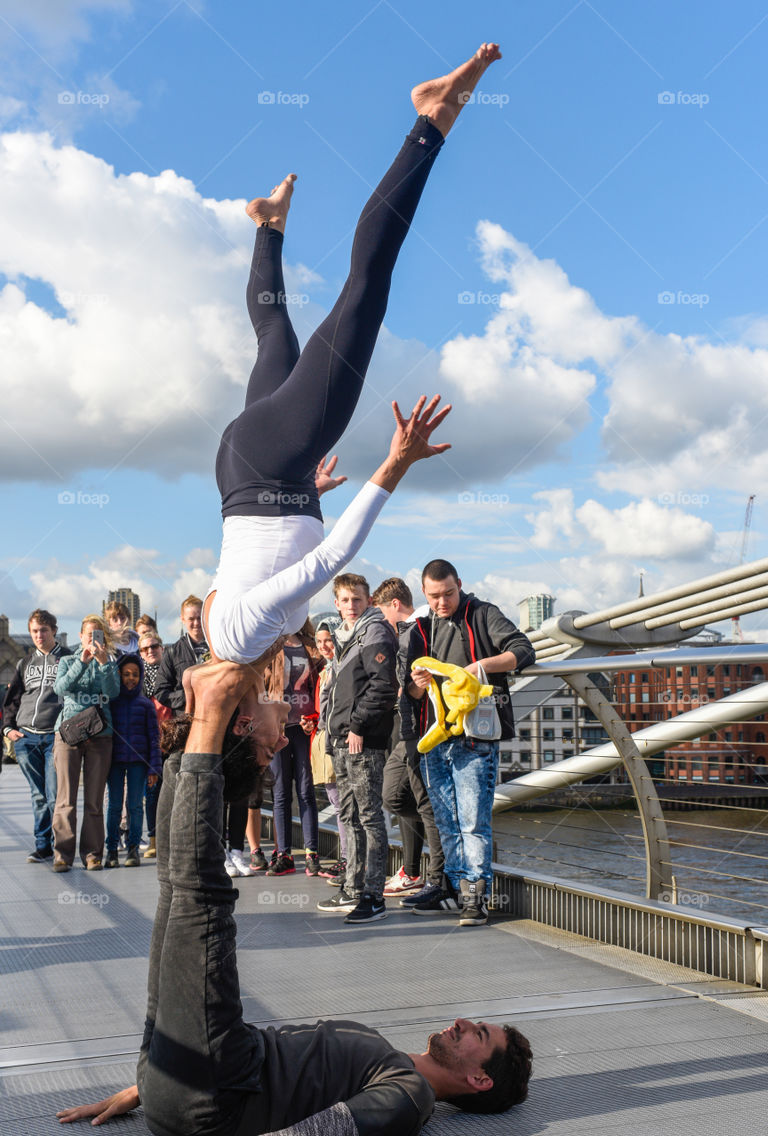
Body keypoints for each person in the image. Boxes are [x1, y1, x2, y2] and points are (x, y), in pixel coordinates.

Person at [56, 684, 531, 1136]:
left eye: (478, 1034)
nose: (464, 1022)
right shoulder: (393, 1059)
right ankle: (198, 733)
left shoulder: (408, 1098)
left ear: (479, 1078)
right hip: (192, 1074)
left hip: (212, 1096)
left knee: (202, 897)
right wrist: (154, 1084)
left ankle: (210, 716)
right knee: (174, 887)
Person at [194, 44, 504, 760]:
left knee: (365, 289)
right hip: (256, 472)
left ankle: (429, 120)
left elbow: (328, 558)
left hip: (272, 465)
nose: (286, 739)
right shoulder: (235, 642)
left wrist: (394, 465)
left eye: (273, 743)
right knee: (275, 334)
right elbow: (273, 552)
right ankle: (268, 227)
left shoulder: (241, 641)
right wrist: (307, 496)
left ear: (243, 723)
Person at [405, 560, 534, 925]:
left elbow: (523, 650)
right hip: (435, 736)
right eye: (434, 596)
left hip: (475, 735)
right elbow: (410, 692)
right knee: (447, 821)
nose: (442, 602)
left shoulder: (483, 613)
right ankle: (459, 891)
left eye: (448, 593)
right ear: (424, 593)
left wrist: (480, 668)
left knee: (473, 821)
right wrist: (418, 682)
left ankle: (476, 897)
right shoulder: (423, 626)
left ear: (459, 584)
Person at [317, 573, 398, 923]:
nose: (351, 606)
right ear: (337, 603)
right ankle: (352, 886)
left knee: (369, 816)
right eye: (345, 600)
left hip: (362, 739)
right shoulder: (345, 637)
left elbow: (383, 685)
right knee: (348, 815)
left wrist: (358, 726)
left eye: (358, 599)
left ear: (369, 601)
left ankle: (373, 895)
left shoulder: (375, 632)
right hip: (341, 739)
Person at [373, 577, 444, 896]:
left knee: (407, 796)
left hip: (421, 725)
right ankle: (420, 871)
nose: (380, 622)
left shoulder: (417, 627)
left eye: (380, 613)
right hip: (409, 721)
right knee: (406, 796)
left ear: (395, 605)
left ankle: (436, 874)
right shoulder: (411, 630)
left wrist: (409, 687)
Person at [51, 615, 121, 872]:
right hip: (69, 733)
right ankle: (62, 855)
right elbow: (61, 688)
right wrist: (82, 662)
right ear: (80, 636)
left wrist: (103, 664)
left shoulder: (109, 661)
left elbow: (113, 692)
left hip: (100, 734)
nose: (93, 640)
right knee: (65, 798)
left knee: (94, 800)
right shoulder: (68, 660)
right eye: (89, 635)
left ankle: (92, 854)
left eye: (98, 635)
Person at [3, 609, 71, 862]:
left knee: (55, 795)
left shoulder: (69, 658)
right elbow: (12, 700)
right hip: (26, 738)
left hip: (55, 738)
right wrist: (8, 729)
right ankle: (42, 845)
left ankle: (60, 848)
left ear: (54, 630)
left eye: (44, 630)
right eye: (34, 631)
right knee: (38, 795)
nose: (39, 635)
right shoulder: (24, 663)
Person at [263, 622, 323, 876]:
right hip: (278, 728)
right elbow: (260, 686)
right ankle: (284, 854)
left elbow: (321, 686)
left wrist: (315, 718)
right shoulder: (270, 646)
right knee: (280, 793)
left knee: (306, 790)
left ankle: (311, 853)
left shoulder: (312, 648)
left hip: (303, 728)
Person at [105, 654, 162, 869]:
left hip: (139, 762)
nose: (131, 679)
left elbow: (154, 738)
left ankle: (132, 849)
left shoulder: (146, 705)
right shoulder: (111, 702)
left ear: (141, 676)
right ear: (118, 675)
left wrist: (154, 767)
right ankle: (111, 849)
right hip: (115, 762)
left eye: (135, 675)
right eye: (126, 674)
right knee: (114, 806)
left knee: (136, 806)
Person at [310, 621, 348, 877]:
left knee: (342, 803)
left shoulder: (340, 668)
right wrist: (311, 721)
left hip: (337, 740)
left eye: (328, 640)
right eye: (319, 642)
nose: (324, 646)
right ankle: (348, 858)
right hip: (322, 739)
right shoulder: (324, 671)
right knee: (337, 800)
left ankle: (348, 858)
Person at [138, 631, 168, 858]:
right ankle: (154, 840)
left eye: (154, 646)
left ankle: (171, 839)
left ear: (162, 647)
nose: (150, 651)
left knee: (175, 791)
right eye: (144, 649)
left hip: (173, 740)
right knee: (152, 792)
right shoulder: (136, 678)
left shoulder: (172, 673)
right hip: (149, 743)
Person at [154, 596, 209, 713]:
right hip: (186, 718)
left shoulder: (218, 647)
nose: (196, 623)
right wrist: (188, 695)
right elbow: (161, 691)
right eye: (191, 619)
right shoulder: (173, 652)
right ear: (182, 619)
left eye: (199, 618)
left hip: (216, 715)